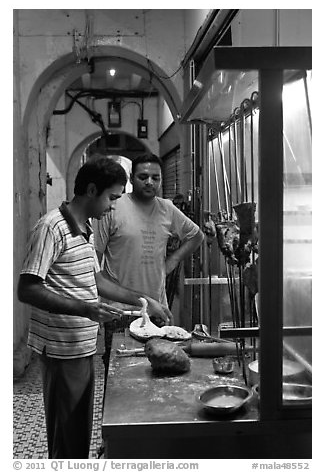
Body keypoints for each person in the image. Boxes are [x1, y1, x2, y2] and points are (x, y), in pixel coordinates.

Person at [17, 156, 170, 459]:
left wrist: (143, 300)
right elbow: (28, 288)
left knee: (79, 433)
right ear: (90, 190)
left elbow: (97, 280)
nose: (114, 205)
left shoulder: (84, 228)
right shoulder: (53, 227)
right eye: (112, 197)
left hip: (83, 347)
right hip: (62, 351)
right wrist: (85, 309)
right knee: (68, 438)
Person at [93, 153, 204, 324]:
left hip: (156, 308)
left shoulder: (167, 208)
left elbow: (196, 236)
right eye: (143, 177)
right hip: (119, 309)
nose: (149, 182)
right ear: (131, 178)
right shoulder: (113, 206)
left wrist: (172, 261)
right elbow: (94, 263)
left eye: (155, 178)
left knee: (159, 350)